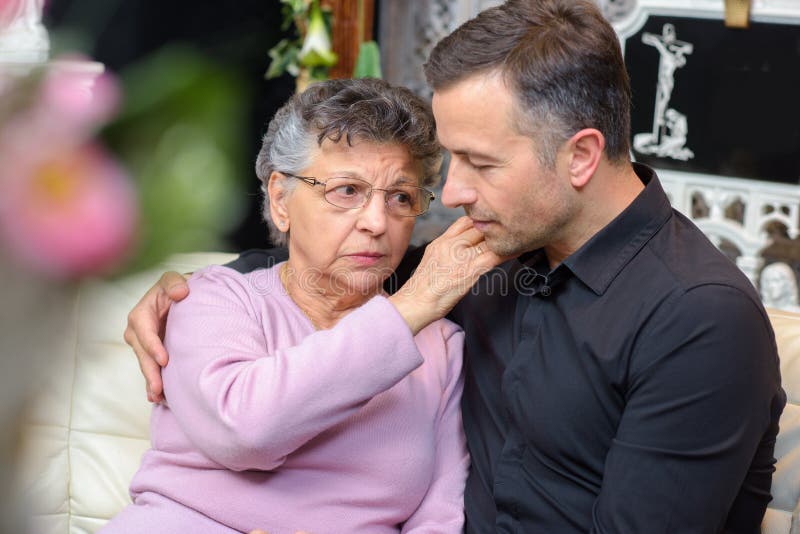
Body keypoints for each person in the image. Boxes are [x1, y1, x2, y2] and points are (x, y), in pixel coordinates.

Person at [126, 1, 786, 532]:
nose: (454, 192)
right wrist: (191, 287)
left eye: (481, 162)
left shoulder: (698, 318)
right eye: (451, 160)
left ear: (581, 156)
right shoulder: (490, 256)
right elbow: (345, 261)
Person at [105, 77, 508, 533]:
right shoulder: (211, 300)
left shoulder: (442, 347)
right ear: (281, 199)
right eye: (347, 190)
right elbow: (245, 431)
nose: (377, 222)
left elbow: (439, 517)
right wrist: (413, 305)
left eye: (401, 197)